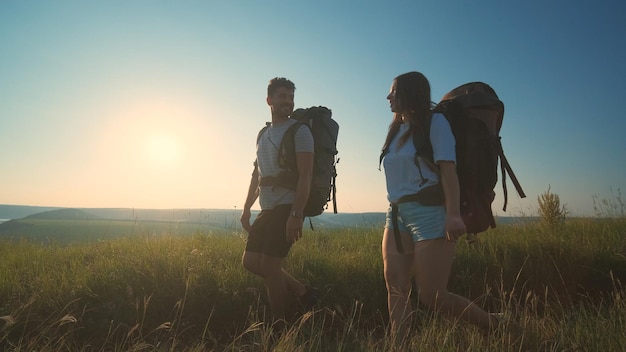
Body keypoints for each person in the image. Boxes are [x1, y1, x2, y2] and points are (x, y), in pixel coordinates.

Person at [380, 71, 499, 338]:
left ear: (412, 93)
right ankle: (399, 344)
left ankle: (495, 325)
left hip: (430, 213)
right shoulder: (396, 130)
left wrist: (454, 215)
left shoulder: (436, 123)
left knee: (432, 296)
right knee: (395, 287)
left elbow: (448, 170)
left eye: (394, 91)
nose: (388, 97)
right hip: (396, 213)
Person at [240, 77, 318, 322]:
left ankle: (279, 325)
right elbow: (257, 174)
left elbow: (306, 175)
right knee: (251, 262)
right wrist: (246, 208)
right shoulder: (263, 134)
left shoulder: (300, 130)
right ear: (269, 100)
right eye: (282, 96)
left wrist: (297, 213)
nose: (288, 101)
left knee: (271, 267)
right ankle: (302, 292)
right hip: (267, 207)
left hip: (288, 205)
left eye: (290, 97)